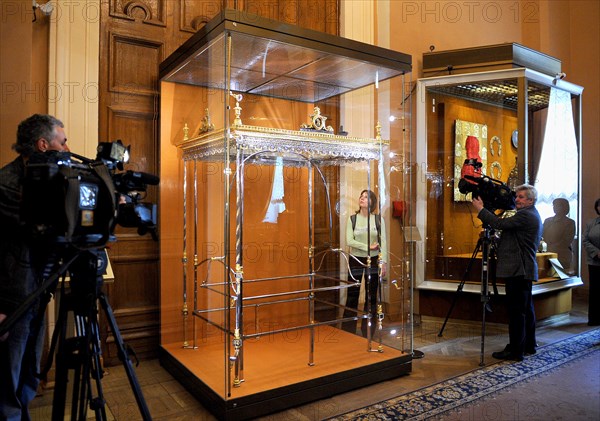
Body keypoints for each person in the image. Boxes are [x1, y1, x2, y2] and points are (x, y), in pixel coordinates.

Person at [0, 114, 69, 420]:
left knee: (29, 366)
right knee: (8, 373)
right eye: (63, 141)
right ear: (44, 145)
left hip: (38, 292)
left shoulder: (52, 181)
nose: (68, 148)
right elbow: (39, 229)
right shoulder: (6, 184)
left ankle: (22, 412)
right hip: (12, 301)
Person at [472, 184, 543, 362]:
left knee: (517, 312)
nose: (516, 200)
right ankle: (528, 345)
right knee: (525, 309)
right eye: (516, 196)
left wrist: (480, 209)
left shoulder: (526, 215)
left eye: (520, 197)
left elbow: (499, 223)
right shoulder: (529, 214)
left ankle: (516, 351)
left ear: (530, 200)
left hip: (519, 270)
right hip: (522, 269)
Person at [342, 189, 387, 338]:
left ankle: (368, 331)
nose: (362, 198)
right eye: (361, 196)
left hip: (373, 260)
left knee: (371, 296)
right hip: (355, 259)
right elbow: (349, 241)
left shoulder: (378, 219)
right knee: (352, 295)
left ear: (372, 202)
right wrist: (368, 246)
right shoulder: (352, 219)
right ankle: (347, 330)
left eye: (366, 197)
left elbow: (383, 242)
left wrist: (383, 262)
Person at [542, 198, 576, 272]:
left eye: (557, 205)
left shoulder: (569, 222)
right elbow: (542, 235)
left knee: (558, 277)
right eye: (554, 205)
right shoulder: (547, 220)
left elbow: (567, 240)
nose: (555, 207)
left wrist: (551, 249)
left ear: (564, 207)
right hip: (546, 253)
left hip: (561, 255)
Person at [582, 198, 600, 326]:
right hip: (594, 261)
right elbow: (585, 240)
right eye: (599, 206)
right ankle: (594, 318)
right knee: (595, 291)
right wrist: (596, 252)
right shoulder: (591, 223)